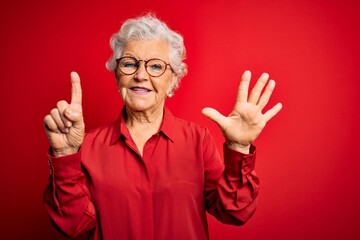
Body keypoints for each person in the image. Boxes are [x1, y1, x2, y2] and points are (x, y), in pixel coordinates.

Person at [43, 13, 282, 240]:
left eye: (156, 66)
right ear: (117, 75)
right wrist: (64, 155)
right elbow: (73, 226)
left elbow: (235, 211)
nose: (140, 75)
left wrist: (239, 147)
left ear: (173, 80)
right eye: (129, 64)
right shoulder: (88, 146)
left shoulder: (198, 140)